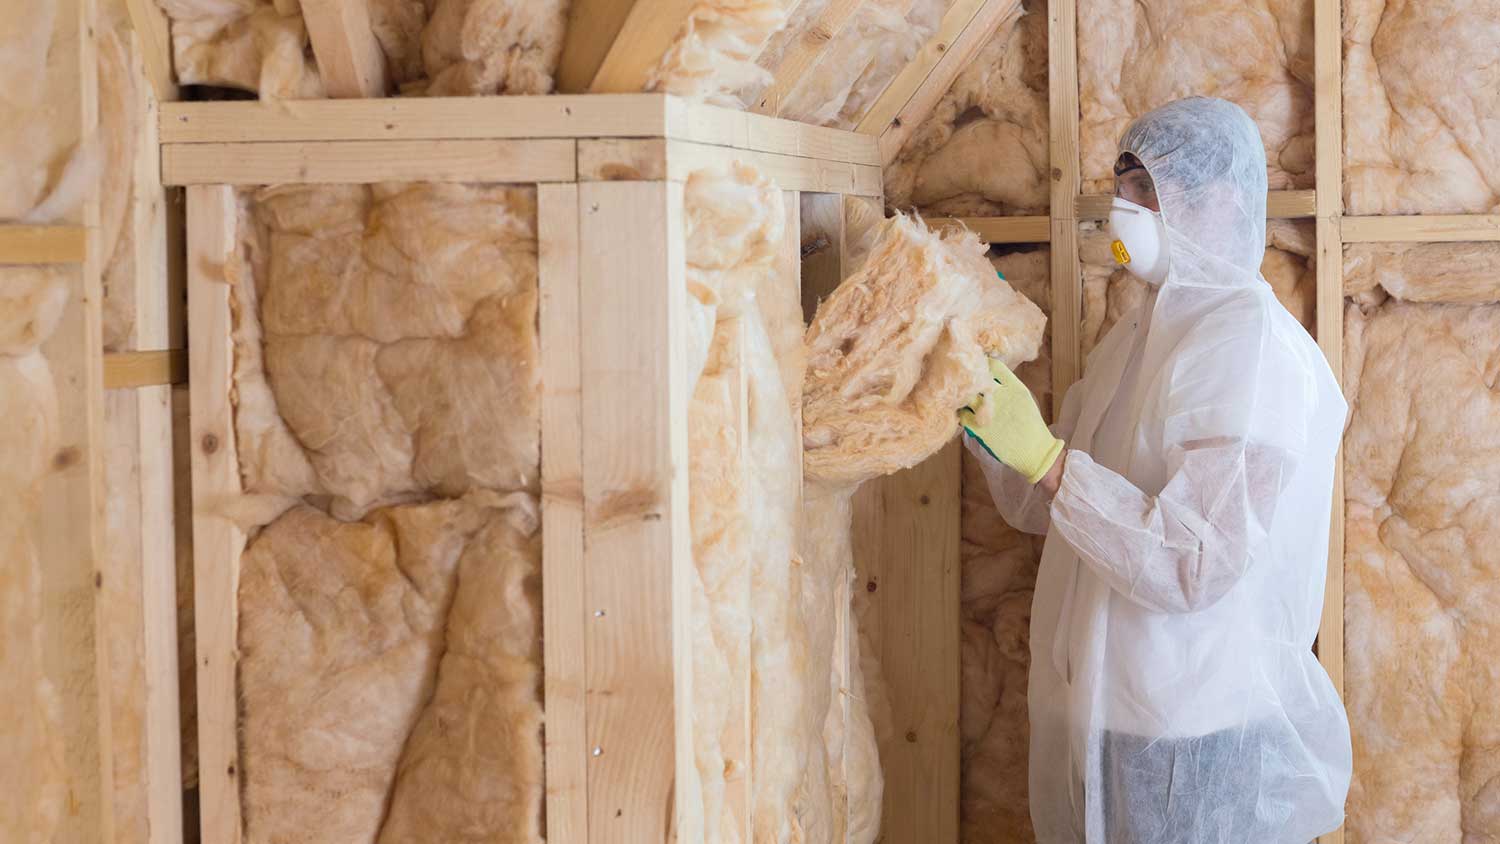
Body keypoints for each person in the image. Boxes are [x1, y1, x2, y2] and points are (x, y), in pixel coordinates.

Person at [960, 97, 1352, 843]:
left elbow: (1194, 561)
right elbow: (1045, 504)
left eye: (1147, 187)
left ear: (1223, 201)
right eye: (1121, 183)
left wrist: (1045, 459)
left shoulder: (1246, 344)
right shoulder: (1132, 341)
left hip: (1194, 730)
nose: (1122, 207)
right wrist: (987, 412)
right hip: (1111, 716)